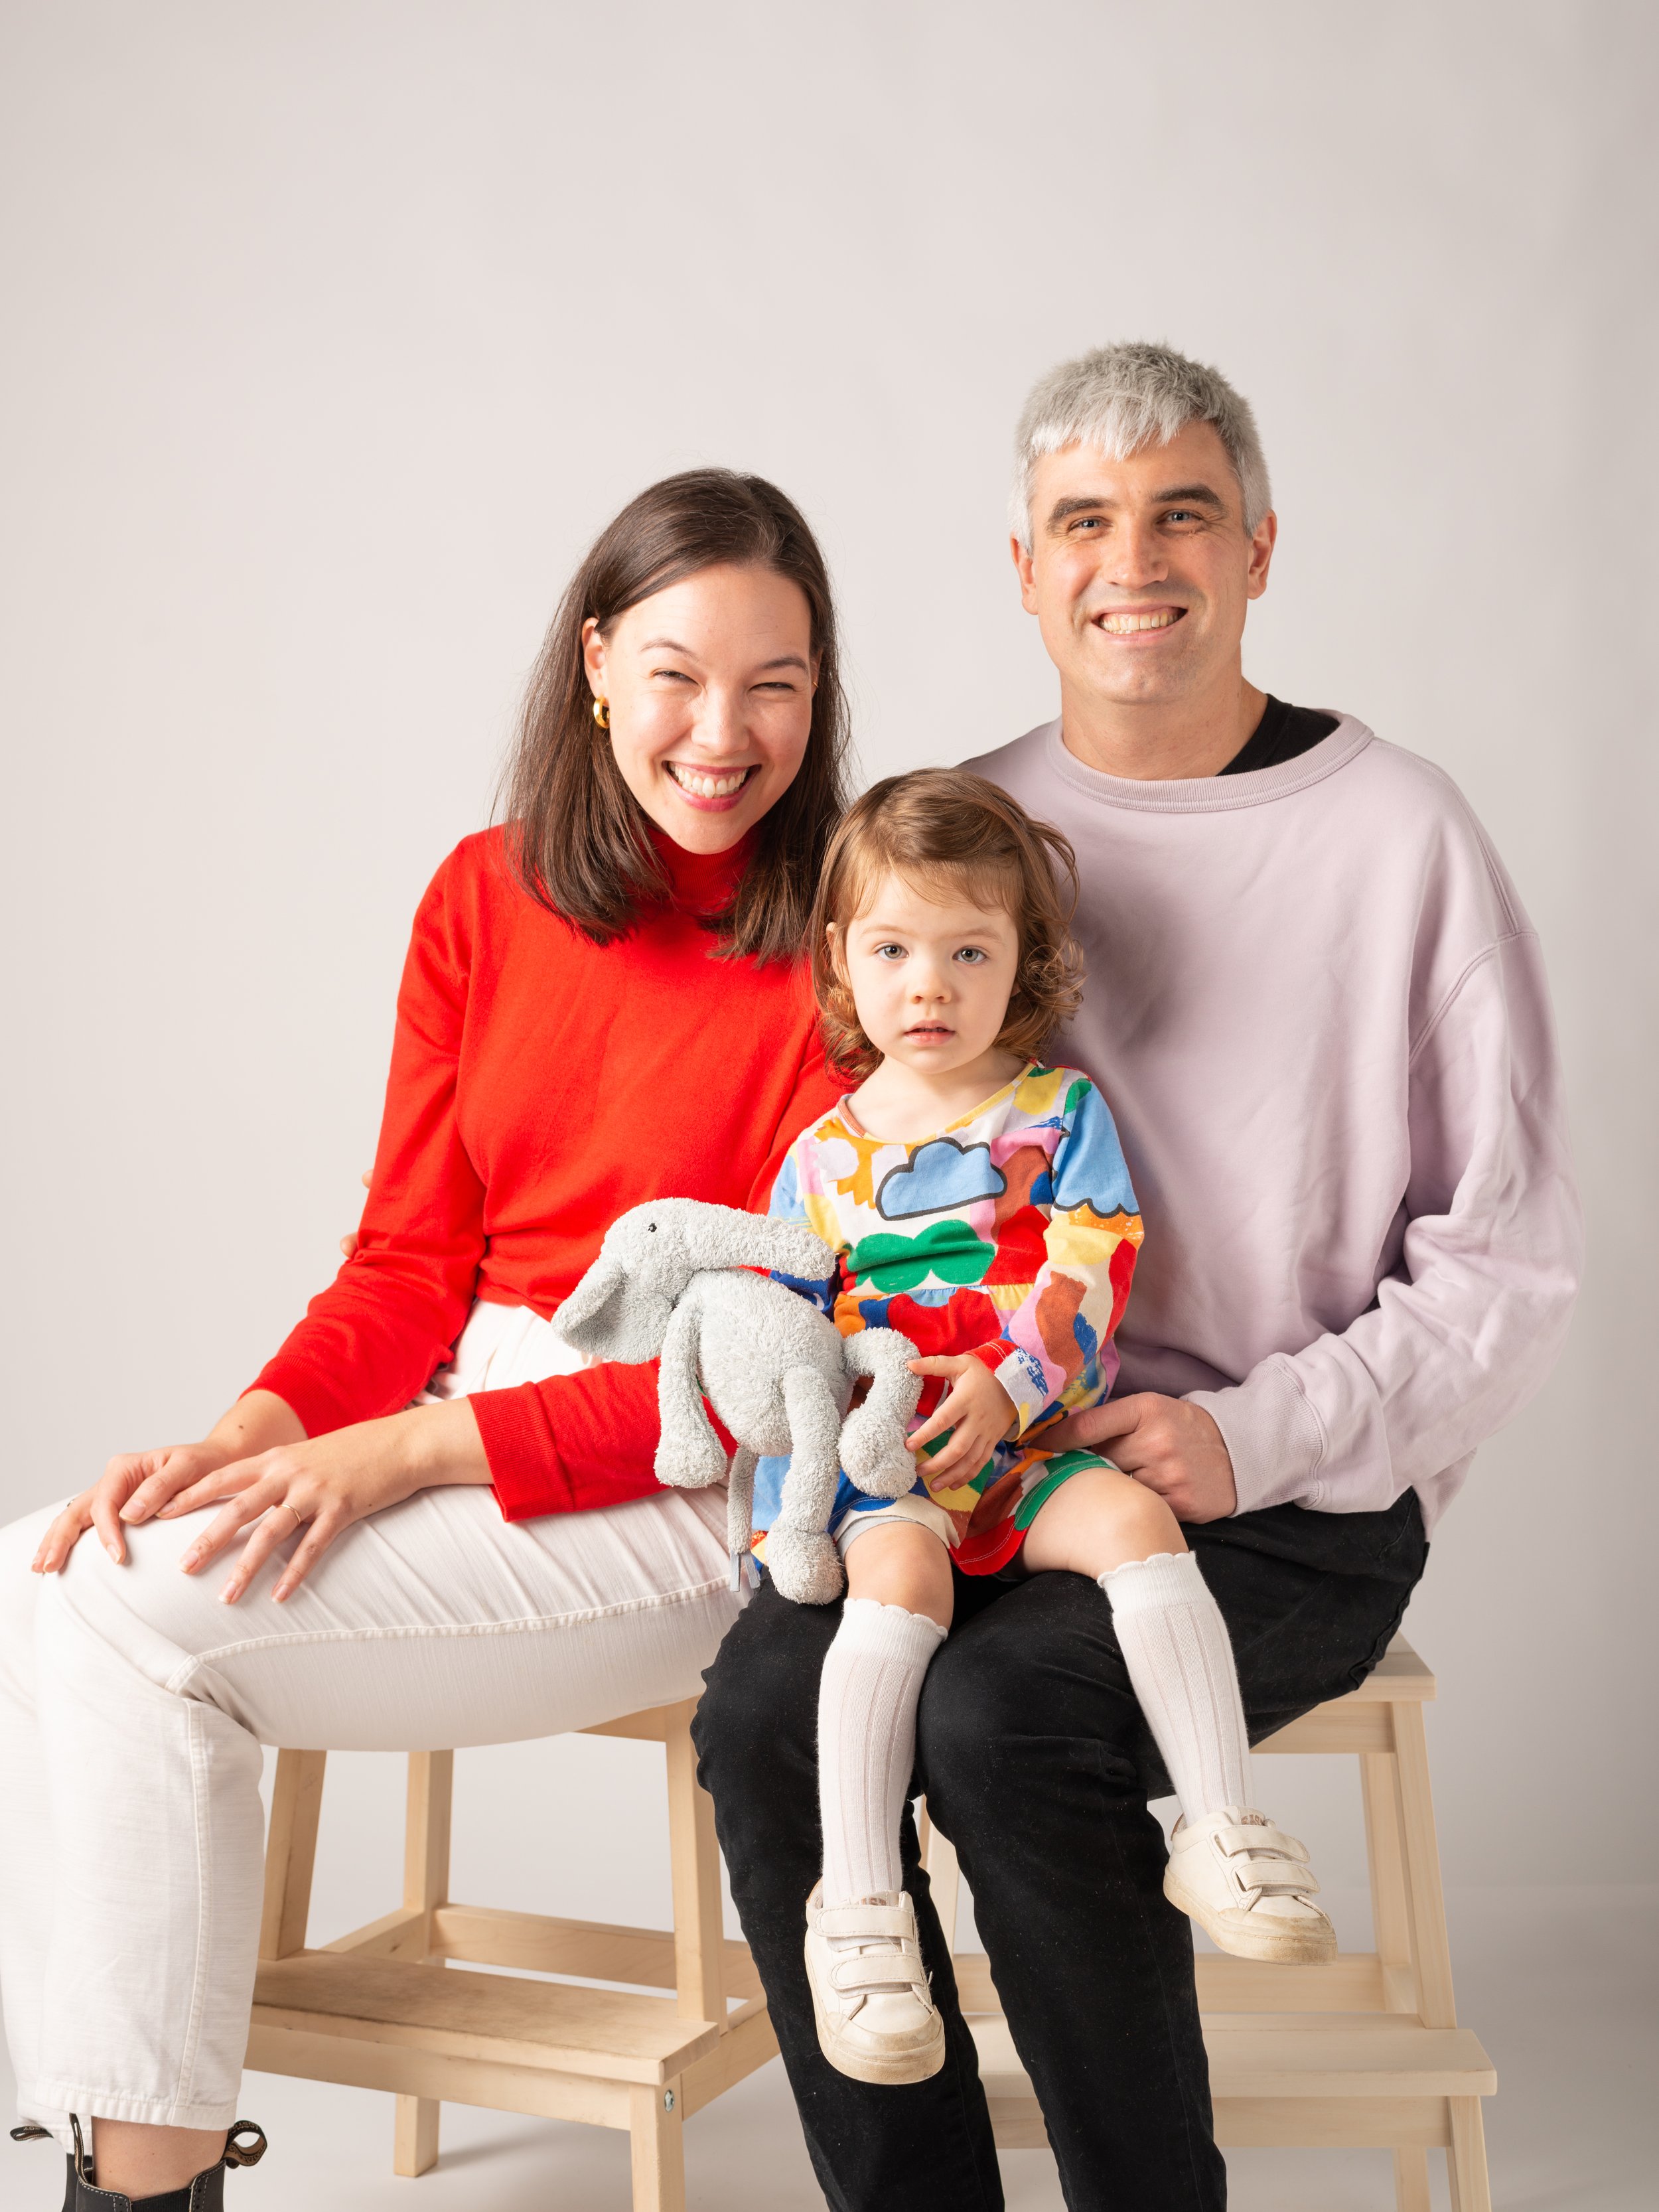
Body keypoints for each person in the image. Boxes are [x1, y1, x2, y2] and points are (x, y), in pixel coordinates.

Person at [693, 344, 1583, 2209]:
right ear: (1020, 565)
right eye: (1082, 522)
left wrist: (1246, 1436)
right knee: (765, 1709)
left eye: (1181, 511)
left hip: (1274, 1489)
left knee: (1010, 1721)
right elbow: (856, 1193)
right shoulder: (955, 846)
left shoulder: (1400, 835)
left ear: (1257, 546)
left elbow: (1504, 1263)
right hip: (957, 1453)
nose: (1133, 559)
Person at [0, 469, 853, 2211]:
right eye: (679, 671)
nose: (723, 731)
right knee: (38, 1577)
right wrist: (249, 1428)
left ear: (820, 692)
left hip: (703, 1475)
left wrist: (401, 1449)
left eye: (776, 681)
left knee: (131, 1634)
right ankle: (111, 2143)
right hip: (482, 1418)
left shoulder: (852, 936)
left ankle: (131, 2186)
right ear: (598, 661)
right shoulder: (482, 894)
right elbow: (407, 1259)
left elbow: (801, 1351)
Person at [755, 768, 1336, 2090]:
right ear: (842, 961)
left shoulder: (1057, 1112)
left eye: (969, 950)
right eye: (894, 948)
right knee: (893, 1581)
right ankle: (858, 1913)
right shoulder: (819, 1157)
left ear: (1021, 961)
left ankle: (1221, 1825)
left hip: (1019, 1437)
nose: (930, 983)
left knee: (1134, 1518)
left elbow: (1092, 1267)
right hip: (887, 1454)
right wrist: (845, 1425)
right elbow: (788, 1327)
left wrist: (1009, 1390)